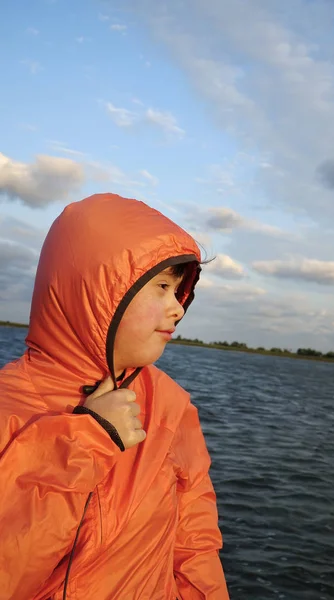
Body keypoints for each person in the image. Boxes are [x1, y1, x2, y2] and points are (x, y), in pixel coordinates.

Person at [0, 193, 229, 600]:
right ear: (94, 292)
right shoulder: (9, 408)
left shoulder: (171, 405)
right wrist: (85, 440)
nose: (177, 308)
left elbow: (195, 547)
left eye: (179, 291)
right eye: (160, 287)